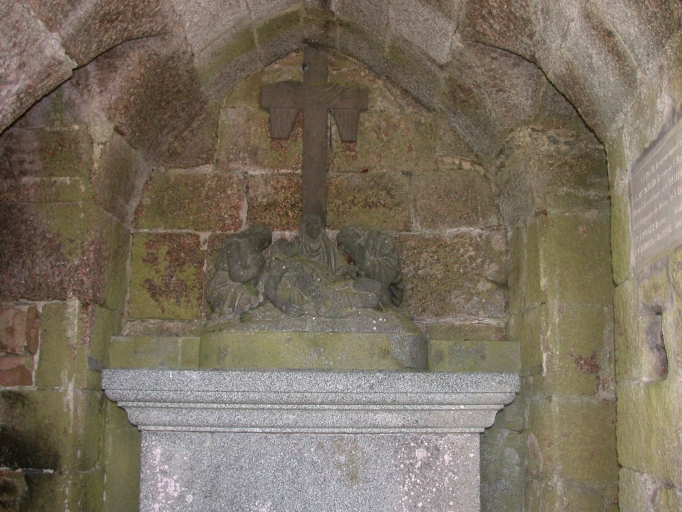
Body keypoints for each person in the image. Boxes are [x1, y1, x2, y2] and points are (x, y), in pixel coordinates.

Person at [206, 224, 272, 318]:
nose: (260, 248)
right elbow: (236, 275)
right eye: (262, 244)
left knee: (258, 300)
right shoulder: (234, 245)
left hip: (240, 285)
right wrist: (256, 268)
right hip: (224, 284)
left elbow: (252, 282)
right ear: (256, 237)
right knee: (248, 299)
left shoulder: (252, 254)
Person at [336, 226, 405, 310]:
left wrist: (364, 264)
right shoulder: (350, 258)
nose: (345, 252)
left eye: (346, 249)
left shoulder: (381, 242)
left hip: (382, 293)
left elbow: (391, 271)